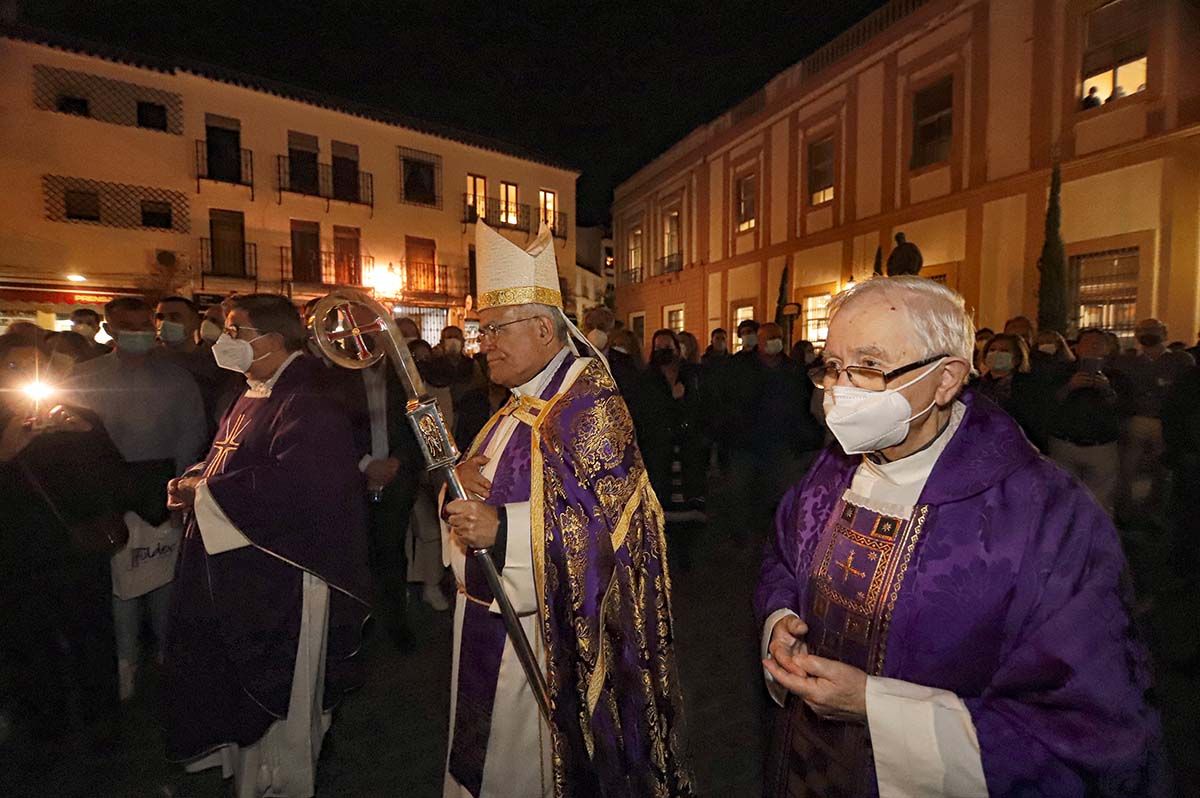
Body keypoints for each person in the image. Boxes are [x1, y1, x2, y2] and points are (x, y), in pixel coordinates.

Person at [757, 275, 1164, 796]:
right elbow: (782, 557)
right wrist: (781, 618)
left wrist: (877, 709)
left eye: (868, 367)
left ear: (947, 379)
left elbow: (1092, 724)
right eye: (832, 367)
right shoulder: (832, 471)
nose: (840, 390)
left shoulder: (1048, 519)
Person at [440, 221, 691, 797]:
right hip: (485, 618)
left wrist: (503, 532)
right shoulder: (513, 406)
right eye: (481, 332)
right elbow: (473, 482)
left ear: (543, 329)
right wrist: (456, 483)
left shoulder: (587, 408)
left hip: (551, 645)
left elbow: (615, 538)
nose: (485, 345)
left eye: (496, 330)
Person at [163, 294, 371, 798]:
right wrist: (196, 478)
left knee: (283, 685)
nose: (223, 340)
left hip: (285, 574)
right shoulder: (256, 389)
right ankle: (249, 770)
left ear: (273, 341)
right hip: (241, 568)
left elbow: (301, 486)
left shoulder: (309, 397)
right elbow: (230, 460)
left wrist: (206, 493)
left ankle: (283, 782)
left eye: (235, 330)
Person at [69, 296, 208, 701]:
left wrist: (177, 491)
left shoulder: (177, 378)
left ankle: (168, 658)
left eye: (144, 324)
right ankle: (125, 663)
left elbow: (191, 433)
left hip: (161, 489)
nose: (138, 333)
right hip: (105, 493)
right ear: (109, 330)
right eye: (127, 326)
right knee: (119, 585)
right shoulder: (85, 378)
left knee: (164, 580)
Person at [0, 335, 124, 752]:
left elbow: (111, 479)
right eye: (14, 368)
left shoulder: (79, 416)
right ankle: (42, 726)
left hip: (77, 550)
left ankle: (101, 721)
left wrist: (86, 435)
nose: (26, 376)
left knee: (91, 634)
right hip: (17, 555)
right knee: (28, 644)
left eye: (34, 367)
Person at [721, 323, 824, 536]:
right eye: (769, 338)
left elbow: (802, 404)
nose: (774, 342)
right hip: (746, 443)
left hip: (782, 443)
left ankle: (775, 535)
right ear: (759, 341)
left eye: (777, 337)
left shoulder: (792, 369)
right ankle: (743, 538)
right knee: (743, 493)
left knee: (779, 494)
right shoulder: (741, 368)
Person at [1046, 328, 1133, 516]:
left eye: (1099, 343)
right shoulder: (1062, 372)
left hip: (1102, 445)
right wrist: (1070, 387)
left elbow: (1126, 408)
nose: (1093, 347)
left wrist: (1107, 390)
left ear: (1108, 348)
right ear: (1077, 348)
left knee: (1101, 501)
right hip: (1064, 443)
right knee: (1063, 499)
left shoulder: (1118, 375)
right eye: (1088, 343)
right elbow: (1046, 404)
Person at [1115, 318, 1196, 516]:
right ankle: (1126, 512)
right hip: (1136, 419)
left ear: (1164, 333)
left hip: (1165, 421)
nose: (1147, 333)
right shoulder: (1128, 361)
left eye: (1152, 329)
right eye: (1142, 330)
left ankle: (1156, 512)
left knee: (1163, 470)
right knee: (1126, 470)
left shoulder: (1180, 360)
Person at [633, 329, 708, 520]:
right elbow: (645, 411)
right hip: (658, 446)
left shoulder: (691, 375)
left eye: (667, 347)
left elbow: (701, 407)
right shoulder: (647, 378)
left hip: (687, 445)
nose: (663, 351)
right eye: (658, 348)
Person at [157, 295, 224, 433]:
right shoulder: (146, 361)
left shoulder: (215, 365)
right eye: (161, 317)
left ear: (194, 322)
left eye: (175, 317)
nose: (165, 323)